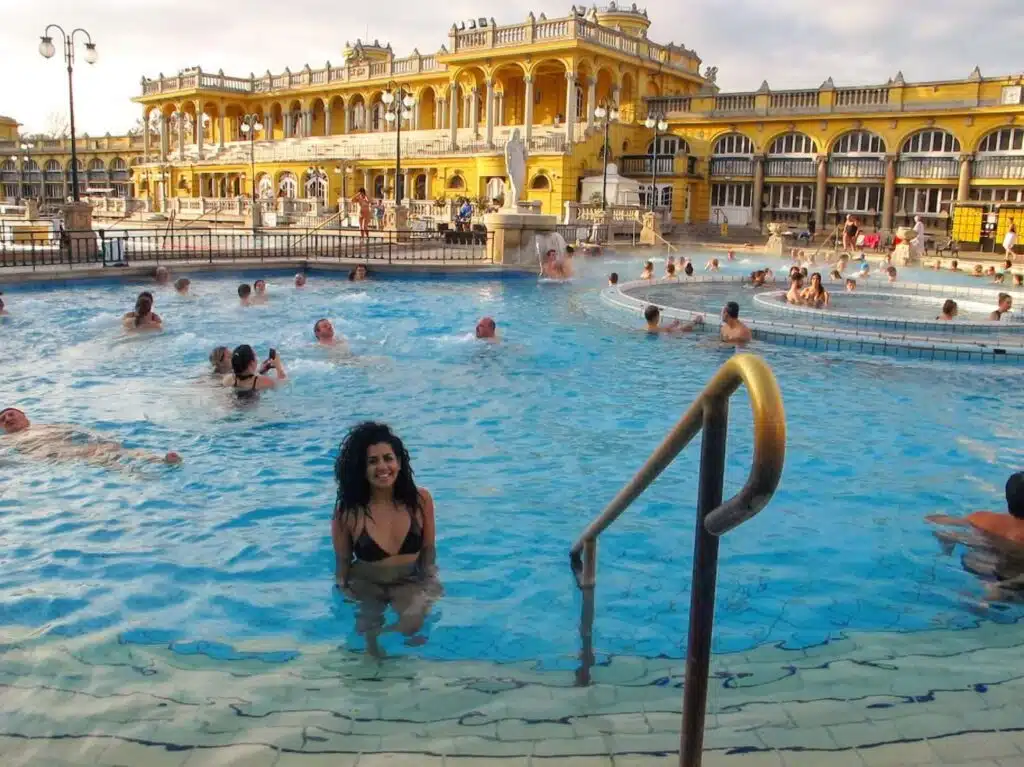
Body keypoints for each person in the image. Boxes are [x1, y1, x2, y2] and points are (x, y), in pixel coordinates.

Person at [331, 421, 440, 656]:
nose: (383, 467)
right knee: (366, 636)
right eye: (373, 461)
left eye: (388, 458)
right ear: (362, 468)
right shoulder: (348, 511)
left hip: (408, 580)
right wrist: (343, 588)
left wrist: (430, 579)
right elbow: (342, 561)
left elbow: (429, 549)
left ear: (399, 463)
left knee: (413, 628)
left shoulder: (421, 500)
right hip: (367, 585)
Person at [1, 407, 181, 467]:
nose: (7, 418)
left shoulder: (49, 426)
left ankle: (158, 460)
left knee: (110, 449)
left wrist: (102, 438)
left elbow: (79, 431)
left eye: (11, 414)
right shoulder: (5, 440)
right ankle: (137, 474)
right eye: (2, 419)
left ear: (25, 417)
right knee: (98, 458)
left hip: (72, 447)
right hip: (48, 454)